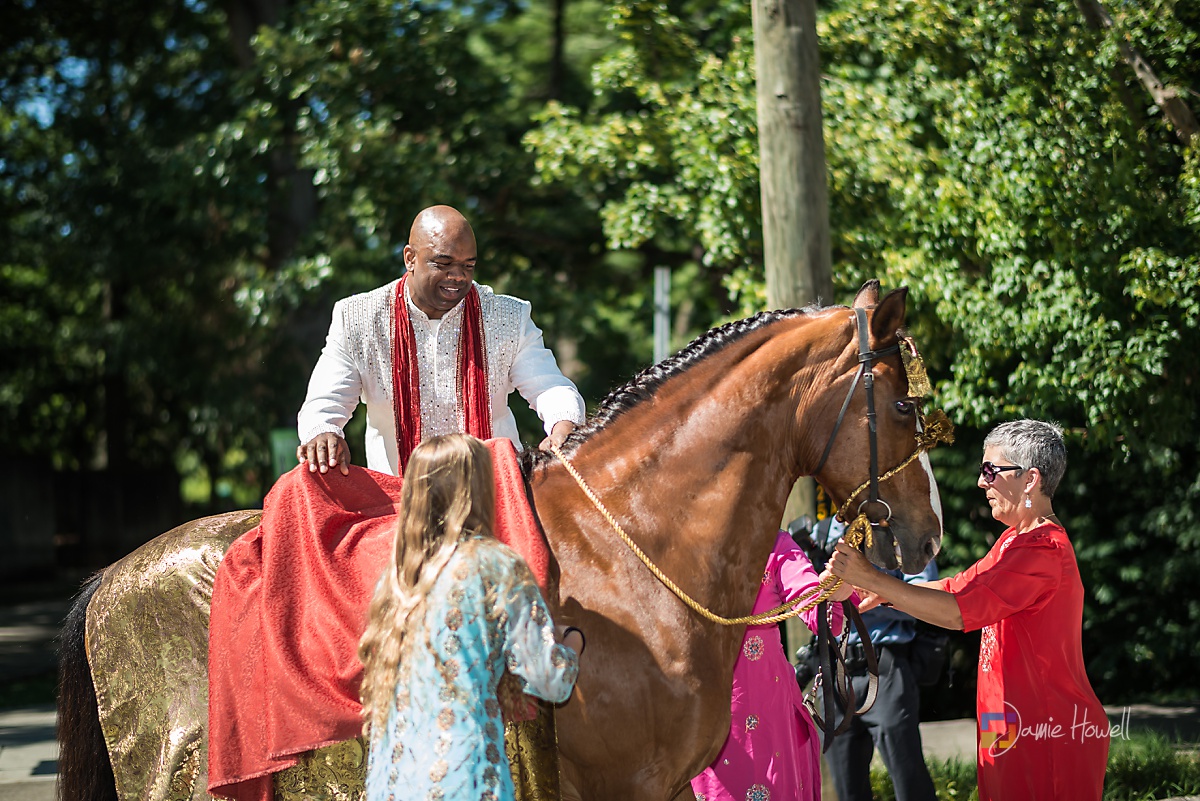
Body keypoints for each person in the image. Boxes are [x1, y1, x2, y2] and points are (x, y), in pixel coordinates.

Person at [829, 419, 1109, 801]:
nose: (982, 482)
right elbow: (956, 586)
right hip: (1008, 724)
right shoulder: (1015, 539)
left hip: (1045, 729)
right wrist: (878, 590)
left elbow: (960, 611)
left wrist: (878, 580)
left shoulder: (1043, 550)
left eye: (991, 470)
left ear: (1030, 480)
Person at [358, 434, 584, 801]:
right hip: (468, 781)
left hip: (392, 784)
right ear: (477, 489)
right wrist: (572, 640)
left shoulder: (397, 577)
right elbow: (549, 682)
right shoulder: (496, 565)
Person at [297, 204, 587, 476]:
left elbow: (549, 386)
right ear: (410, 258)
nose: (458, 276)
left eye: (468, 265)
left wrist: (563, 424)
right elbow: (326, 400)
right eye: (444, 263)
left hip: (493, 488)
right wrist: (323, 432)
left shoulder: (508, 316)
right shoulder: (358, 318)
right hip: (400, 498)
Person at [690, 529, 853, 801]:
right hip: (694, 713)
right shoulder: (674, 540)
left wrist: (835, 591)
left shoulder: (774, 543)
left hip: (766, 712)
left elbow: (824, 619)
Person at [806, 516, 938, 801]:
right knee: (848, 790)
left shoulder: (900, 530)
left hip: (885, 668)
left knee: (910, 784)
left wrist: (874, 591)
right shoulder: (821, 532)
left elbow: (929, 600)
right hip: (836, 671)